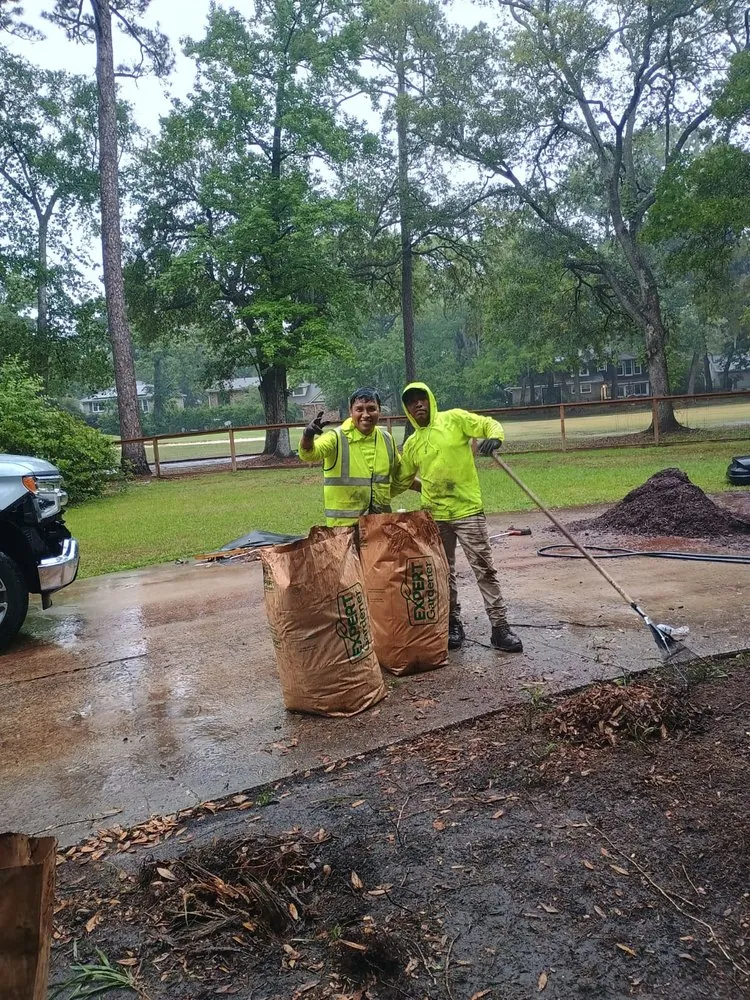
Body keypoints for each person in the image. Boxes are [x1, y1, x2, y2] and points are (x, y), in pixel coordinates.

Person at [395, 381, 523, 653]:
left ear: (430, 399)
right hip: (435, 516)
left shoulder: (454, 419)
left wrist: (495, 437)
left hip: (468, 511)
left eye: (421, 399)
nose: (418, 404)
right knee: (444, 574)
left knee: (484, 569)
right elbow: (401, 479)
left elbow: (488, 424)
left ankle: (500, 628)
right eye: (411, 402)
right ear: (406, 409)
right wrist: (378, 490)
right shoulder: (413, 443)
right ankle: (453, 623)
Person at [299, 387, 402, 527]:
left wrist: (425, 487)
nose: (366, 414)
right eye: (359, 409)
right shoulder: (336, 437)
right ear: (351, 412)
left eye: (371, 409)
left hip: (379, 526)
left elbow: (402, 474)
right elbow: (309, 454)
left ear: (380, 410)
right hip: (344, 529)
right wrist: (308, 435)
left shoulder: (387, 439)